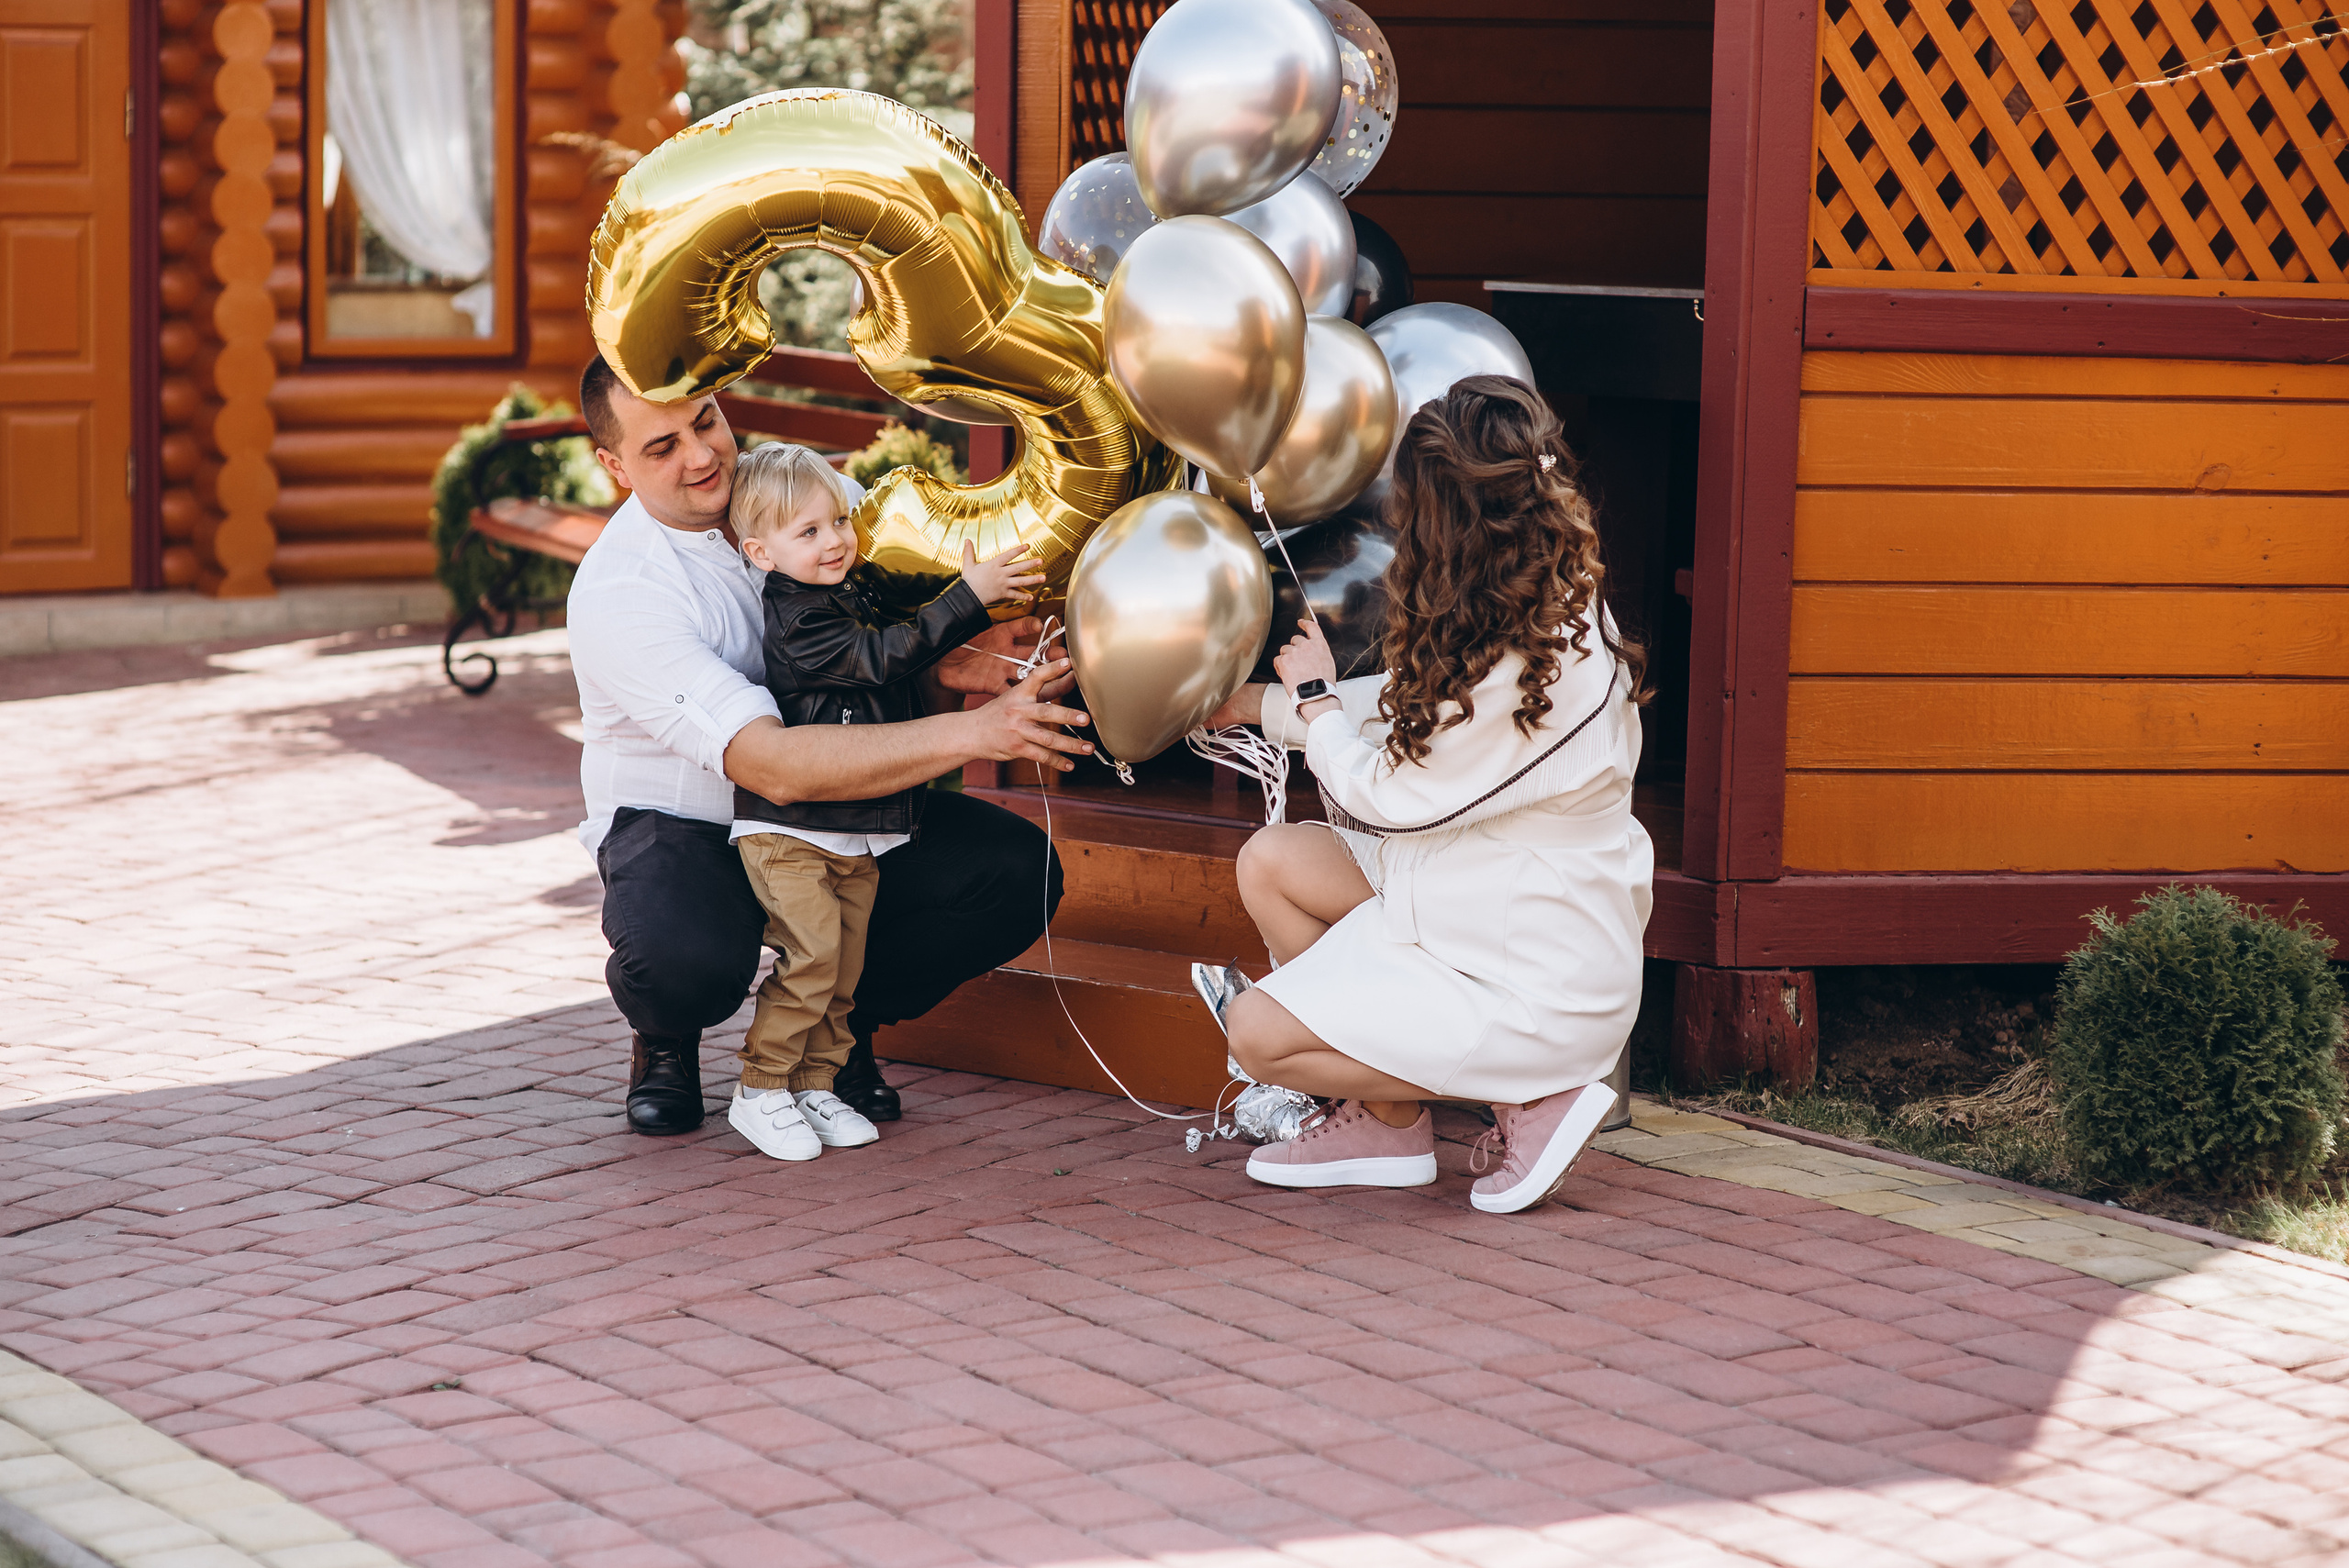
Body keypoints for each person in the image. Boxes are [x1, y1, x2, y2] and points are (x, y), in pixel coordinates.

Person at [566, 354, 1097, 1137]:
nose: (702, 454)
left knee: (1018, 871)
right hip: (685, 826)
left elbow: (884, 650)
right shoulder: (622, 591)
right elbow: (771, 765)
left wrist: (950, 666)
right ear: (615, 466)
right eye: (662, 446)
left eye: (706, 420)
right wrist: (979, 730)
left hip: (835, 814)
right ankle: (666, 1035)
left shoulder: (810, 498)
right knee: (682, 962)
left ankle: (836, 1034)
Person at [1196, 375, 1653, 1215]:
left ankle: (1535, 1095)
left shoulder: (1553, 665)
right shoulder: (1537, 604)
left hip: (1536, 974)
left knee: (1255, 1033)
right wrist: (1258, 705)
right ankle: (1387, 1125)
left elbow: (1391, 797)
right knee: (1274, 862)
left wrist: (1316, 703)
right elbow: (1413, 710)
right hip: (1469, 902)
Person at [720, 441, 1046, 1161]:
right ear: (761, 552)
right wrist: (969, 598)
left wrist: (957, 590)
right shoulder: (798, 619)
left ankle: (815, 1084)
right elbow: (881, 657)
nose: (835, 539)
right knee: (812, 961)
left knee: (844, 973)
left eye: (839, 520)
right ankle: (761, 1087)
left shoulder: (850, 585)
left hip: (853, 830)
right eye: (808, 531)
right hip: (794, 833)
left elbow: (905, 610)